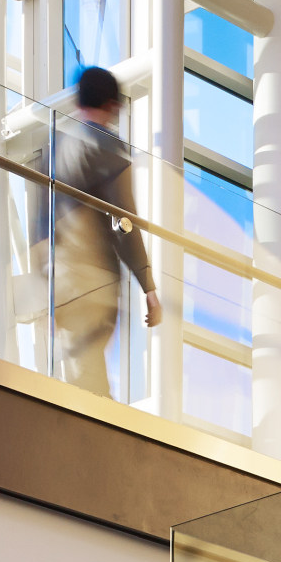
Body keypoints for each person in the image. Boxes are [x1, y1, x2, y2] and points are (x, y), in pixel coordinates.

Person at [37, 65, 160, 395]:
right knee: (87, 381)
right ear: (111, 105)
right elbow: (124, 221)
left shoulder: (53, 146)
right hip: (92, 280)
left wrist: (42, 282)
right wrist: (147, 284)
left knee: (77, 372)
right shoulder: (106, 144)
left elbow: (41, 225)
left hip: (59, 281)